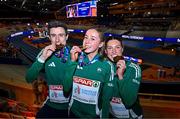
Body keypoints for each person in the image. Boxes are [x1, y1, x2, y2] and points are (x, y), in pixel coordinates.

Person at [63, 28, 113, 118]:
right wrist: (72, 62)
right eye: (86, 37)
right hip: (73, 114)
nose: (87, 41)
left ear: (101, 44)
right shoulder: (74, 59)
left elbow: (106, 99)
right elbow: (66, 88)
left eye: (92, 39)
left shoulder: (107, 66)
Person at [25, 20, 70, 118]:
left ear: (67, 36)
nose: (57, 39)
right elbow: (29, 78)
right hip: (51, 105)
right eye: (53, 35)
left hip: (71, 108)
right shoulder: (44, 53)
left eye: (61, 35)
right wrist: (42, 58)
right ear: (49, 37)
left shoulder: (75, 55)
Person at [104, 36, 143, 118]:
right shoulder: (104, 67)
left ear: (122, 49)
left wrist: (120, 76)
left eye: (117, 47)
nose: (114, 51)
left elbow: (129, 101)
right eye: (110, 48)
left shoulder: (134, 68)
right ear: (106, 51)